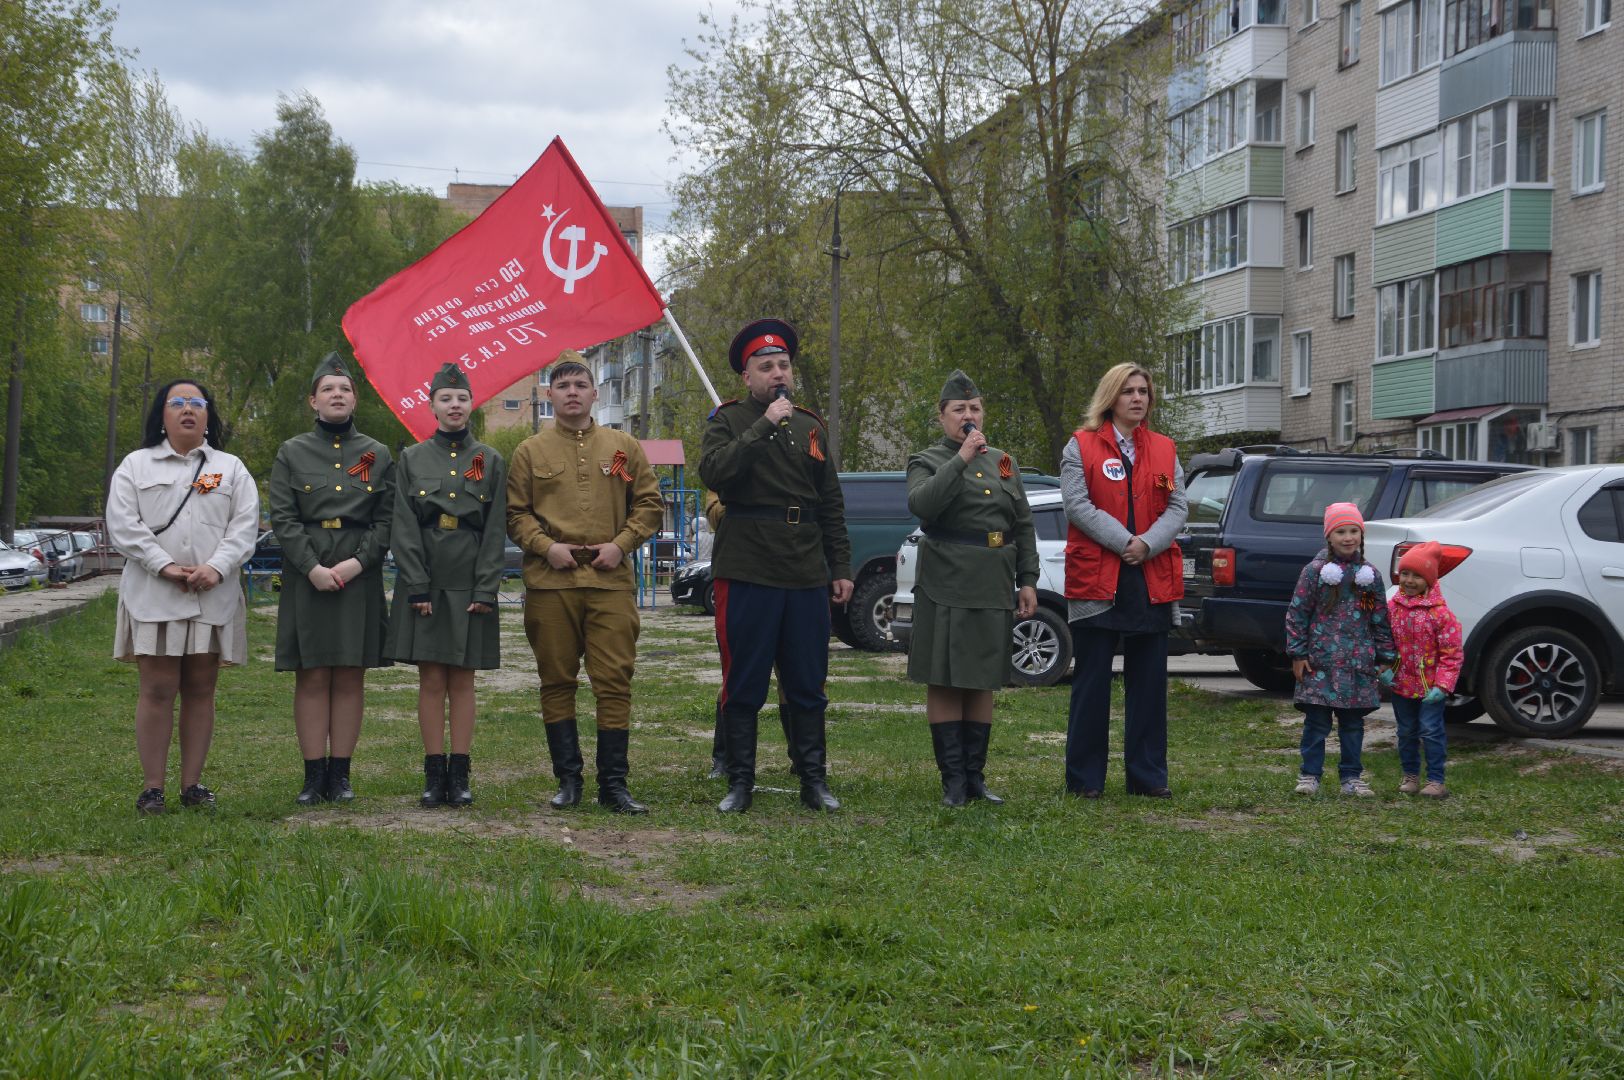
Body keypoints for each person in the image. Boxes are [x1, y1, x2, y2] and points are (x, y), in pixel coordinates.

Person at [700, 318, 852, 813]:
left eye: (783, 365)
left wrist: (841, 567)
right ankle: (740, 782)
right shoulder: (729, 420)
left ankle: (814, 780)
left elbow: (830, 502)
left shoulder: (810, 425)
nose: (777, 374)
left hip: (804, 569)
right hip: (749, 567)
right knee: (745, 683)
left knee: (807, 682)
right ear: (747, 377)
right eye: (766, 367)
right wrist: (764, 425)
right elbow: (717, 472)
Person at [506, 353, 663, 814]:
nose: (572, 391)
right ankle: (568, 781)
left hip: (610, 581)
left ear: (595, 394)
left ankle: (614, 786)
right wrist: (544, 546)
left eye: (580, 384)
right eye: (562, 385)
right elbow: (515, 514)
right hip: (550, 584)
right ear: (549, 395)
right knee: (556, 680)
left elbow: (649, 504)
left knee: (614, 682)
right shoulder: (529, 452)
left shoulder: (623, 445)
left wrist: (622, 543)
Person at [107, 380, 260, 813]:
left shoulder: (230, 468)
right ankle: (152, 788)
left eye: (197, 403)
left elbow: (244, 525)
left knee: (200, 689)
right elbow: (123, 525)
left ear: (209, 415)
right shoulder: (136, 465)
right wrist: (164, 565)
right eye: (178, 403)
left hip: (213, 592)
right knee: (156, 688)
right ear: (163, 414)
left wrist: (216, 567)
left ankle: (192, 785)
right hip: (156, 591)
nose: (188, 410)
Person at [905, 370, 1038, 806]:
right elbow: (923, 506)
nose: (969, 416)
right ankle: (953, 782)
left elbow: (1022, 524)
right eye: (959, 409)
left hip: (992, 580)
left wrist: (1028, 579)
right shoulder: (927, 459)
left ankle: (976, 777)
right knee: (945, 679)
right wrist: (960, 457)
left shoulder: (1003, 460)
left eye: (975, 408)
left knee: (982, 679)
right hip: (947, 581)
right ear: (942, 416)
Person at [269, 353, 395, 805]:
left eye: (344, 389)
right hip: (309, 576)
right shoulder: (292, 452)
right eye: (328, 390)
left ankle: (340, 775)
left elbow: (386, 519)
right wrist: (313, 568)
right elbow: (283, 518)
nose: (337, 395)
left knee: (349, 676)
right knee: (312, 675)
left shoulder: (377, 453)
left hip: (357, 575)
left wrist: (357, 564)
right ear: (313, 401)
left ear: (354, 399)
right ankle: (312, 775)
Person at [1062, 363, 1187, 799]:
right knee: (1092, 684)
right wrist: (1124, 542)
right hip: (1098, 580)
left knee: (1149, 688)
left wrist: (1147, 545)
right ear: (1110, 398)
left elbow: (1177, 507)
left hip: (1150, 580)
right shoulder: (1080, 446)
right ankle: (1084, 781)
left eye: (1144, 391)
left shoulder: (1164, 450)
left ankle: (1148, 778)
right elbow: (1077, 505)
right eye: (1128, 391)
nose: (1138, 398)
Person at [386, 363, 507, 807]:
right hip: (428, 579)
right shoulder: (412, 459)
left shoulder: (490, 460)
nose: (454, 405)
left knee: (463, 680)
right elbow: (403, 525)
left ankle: (461, 772)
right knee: (431, 679)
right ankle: (433, 773)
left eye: (461, 398)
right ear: (431, 405)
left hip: (469, 576)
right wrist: (416, 584)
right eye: (445, 398)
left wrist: (485, 588)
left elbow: (495, 529)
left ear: (470, 403)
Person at [1284, 502, 1397, 797]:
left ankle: (1351, 777)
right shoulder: (1315, 572)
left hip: (1357, 664)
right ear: (1329, 537)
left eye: (1353, 531)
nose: (1348, 538)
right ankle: (1310, 775)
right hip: (1320, 662)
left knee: (1352, 724)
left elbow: (1379, 617)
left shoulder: (1369, 575)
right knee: (1317, 722)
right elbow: (1297, 613)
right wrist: (1298, 653)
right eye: (1341, 532)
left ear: (1361, 534)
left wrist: (1385, 656)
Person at [1383, 541, 1462, 799]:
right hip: (1401, 683)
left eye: (1417, 575)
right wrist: (1383, 667)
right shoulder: (1393, 608)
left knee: (1431, 730)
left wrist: (1443, 685)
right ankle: (1410, 776)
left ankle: (1436, 780)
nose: (1409, 580)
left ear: (1429, 579)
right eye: (1405, 573)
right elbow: (1383, 640)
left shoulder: (1441, 614)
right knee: (1406, 731)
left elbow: (1451, 653)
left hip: (1431, 688)